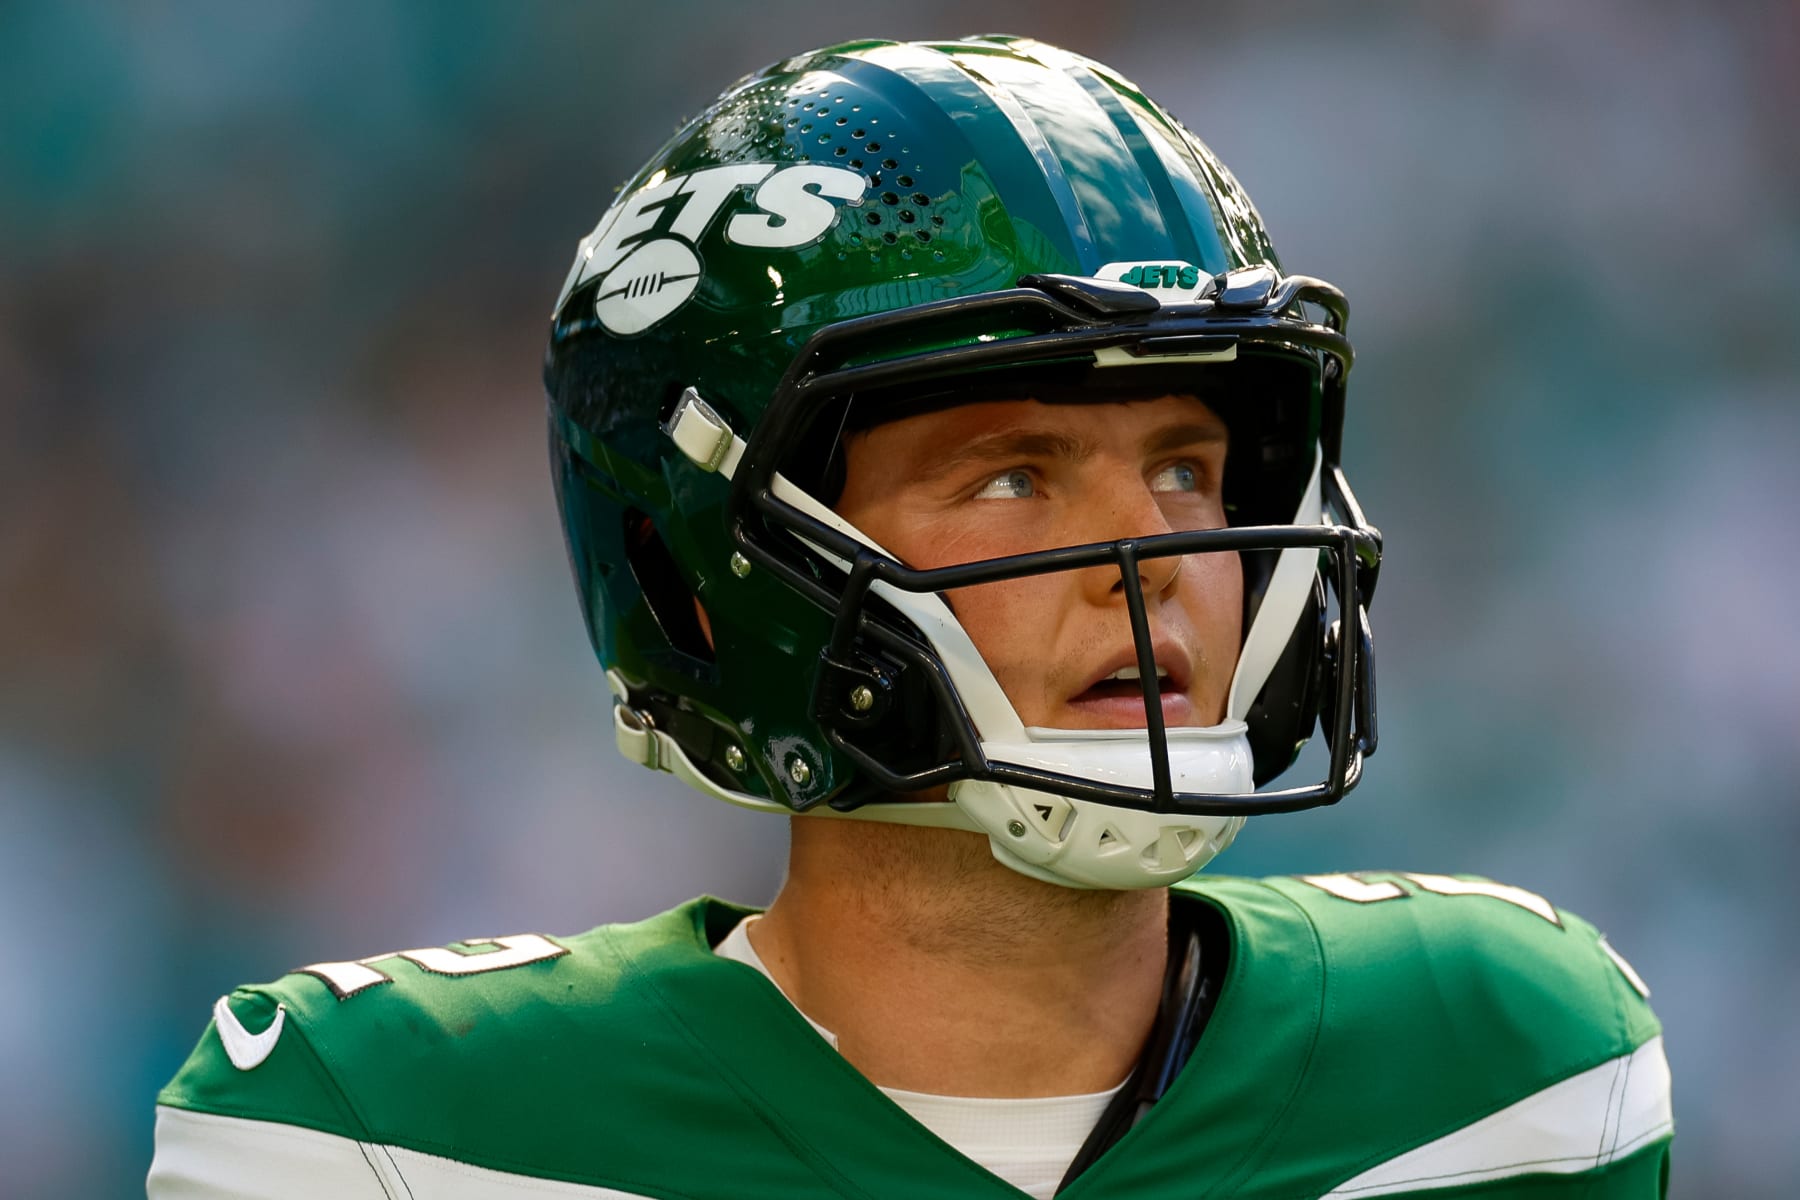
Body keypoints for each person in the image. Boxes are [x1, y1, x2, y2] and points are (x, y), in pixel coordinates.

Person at [148, 35, 1671, 1198]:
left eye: (1190, 465)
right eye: (1014, 475)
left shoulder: (1508, 1073)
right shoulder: (395, 1140)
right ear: (715, 564)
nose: (1146, 552)